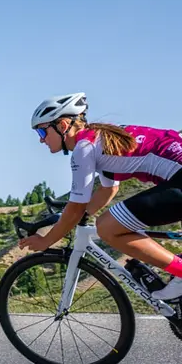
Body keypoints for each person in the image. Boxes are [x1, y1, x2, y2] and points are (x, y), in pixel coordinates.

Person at [20, 93, 182, 304]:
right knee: (109, 223)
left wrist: (46, 240)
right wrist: (73, 218)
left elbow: (76, 208)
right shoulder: (99, 140)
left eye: (42, 131)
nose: (41, 139)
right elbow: (108, 191)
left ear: (62, 125)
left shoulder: (84, 148)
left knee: (106, 226)